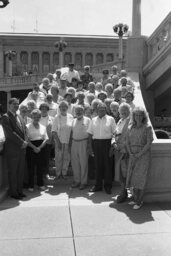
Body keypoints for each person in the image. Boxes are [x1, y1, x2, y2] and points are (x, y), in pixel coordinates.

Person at [126, 106, 154, 210]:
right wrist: (130, 153)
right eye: (136, 115)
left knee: (141, 179)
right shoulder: (130, 127)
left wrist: (139, 154)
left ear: (143, 116)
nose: (138, 117)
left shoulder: (147, 127)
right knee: (133, 178)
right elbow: (127, 142)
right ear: (133, 116)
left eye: (140, 115)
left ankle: (139, 201)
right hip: (132, 155)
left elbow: (149, 143)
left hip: (143, 156)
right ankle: (135, 198)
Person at [1, 98, 28, 199]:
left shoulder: (19, 116)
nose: (16, 106)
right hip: (12, 149)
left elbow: (24, 130)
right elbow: (10, 133)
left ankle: (20, 191)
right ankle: (14, 193)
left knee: (20, 171)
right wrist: (22, 142)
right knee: (13, 172)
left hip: (21, 149)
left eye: (17, 104)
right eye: (14, 104)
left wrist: (26, 141)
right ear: (9, 105)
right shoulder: (5, 117)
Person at [88, 102, 116, 194]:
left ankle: (108, 186)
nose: (101, 111)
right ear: (97, 110)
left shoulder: (111, 119)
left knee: (108, 166)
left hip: (107, 144)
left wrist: (112, 146)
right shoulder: (93, 120)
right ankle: (98, 185)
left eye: (103, 109)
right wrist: (89, 146)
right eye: (99, 109)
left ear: (106, 110)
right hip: (96, 144)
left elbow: (115, 133)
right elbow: (90, 134)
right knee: (97, 165)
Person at [26, 109, 48, 191]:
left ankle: (40, 184)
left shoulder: (43, 127)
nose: (37, 118)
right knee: (31, 167)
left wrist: (39, 147)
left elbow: (45, 139)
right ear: (32, 116)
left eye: (38, 116)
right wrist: (34, 148)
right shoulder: (27, 126)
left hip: (41, 148)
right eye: (35, 116)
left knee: (40, 167)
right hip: (31, 148)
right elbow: (27, 140)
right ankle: (31, 185)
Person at [113, 103, 131, 203]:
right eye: (122, 111)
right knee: (119, 173)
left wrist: (123, 147)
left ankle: (123, 193)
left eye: (125, 110)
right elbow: (114, 134)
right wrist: (113, 143)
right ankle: (123, 191)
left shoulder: (131, 122)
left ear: (129, 111)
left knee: (124, 173)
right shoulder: (119, 121)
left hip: (125, 151)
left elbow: (131, 138)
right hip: (117, 150)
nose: (123, 112)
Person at [71, 105, 91, 189]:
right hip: (74, 142)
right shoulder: (73, 120)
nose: (78, 112)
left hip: (84, 142)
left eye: (80, 110)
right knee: (75, 163)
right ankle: (77, 181)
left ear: (83, 111)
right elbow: (72, 133)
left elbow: (90, 133)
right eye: (77, 111)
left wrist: (89, 145)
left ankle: (83, 182)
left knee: (83, 163)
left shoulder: (88, 120)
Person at [52, 101, 73, 179]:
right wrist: (58, 142)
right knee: (58, 158)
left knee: (66, 158)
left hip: (68, 141)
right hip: (59, 141)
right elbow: (53, 131)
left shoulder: (71, 116)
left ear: (67, 108)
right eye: (61, 106)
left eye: (65, 107)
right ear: (59, 108)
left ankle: (64, 173)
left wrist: (70, 141)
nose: (63, 108)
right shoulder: (56, 117)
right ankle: (58, 174)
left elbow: (72, 130)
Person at [39, 103, 54, 179]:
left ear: (48, 110)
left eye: (45, 108)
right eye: (42, 108)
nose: (44, 110)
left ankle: (46, 173)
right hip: (39, 141)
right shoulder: (37, 118)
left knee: (46, 158)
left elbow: (54, 130)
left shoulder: (52, 118)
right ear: (40, 109)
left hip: (48, 141)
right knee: (39, 158)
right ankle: (40, 173)